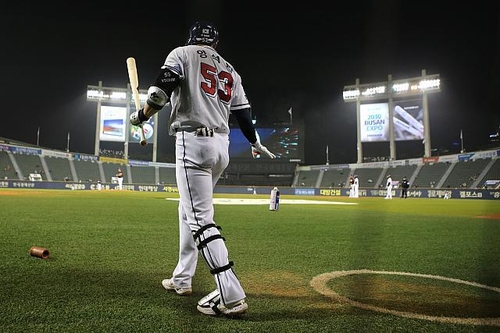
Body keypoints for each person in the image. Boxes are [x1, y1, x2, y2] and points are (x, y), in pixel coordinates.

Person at [129, 21, 276, 317]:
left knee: (199, 219)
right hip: (221, 146)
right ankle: (182, 278)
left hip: (193, 142)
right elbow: (245, 116)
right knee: (188, 211)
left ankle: (230, 294)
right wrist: (255, 143)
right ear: (216, 44)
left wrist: (140, 116)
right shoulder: (230, 69)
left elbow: (159, 95)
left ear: (192, 38)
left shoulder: (182, 53)